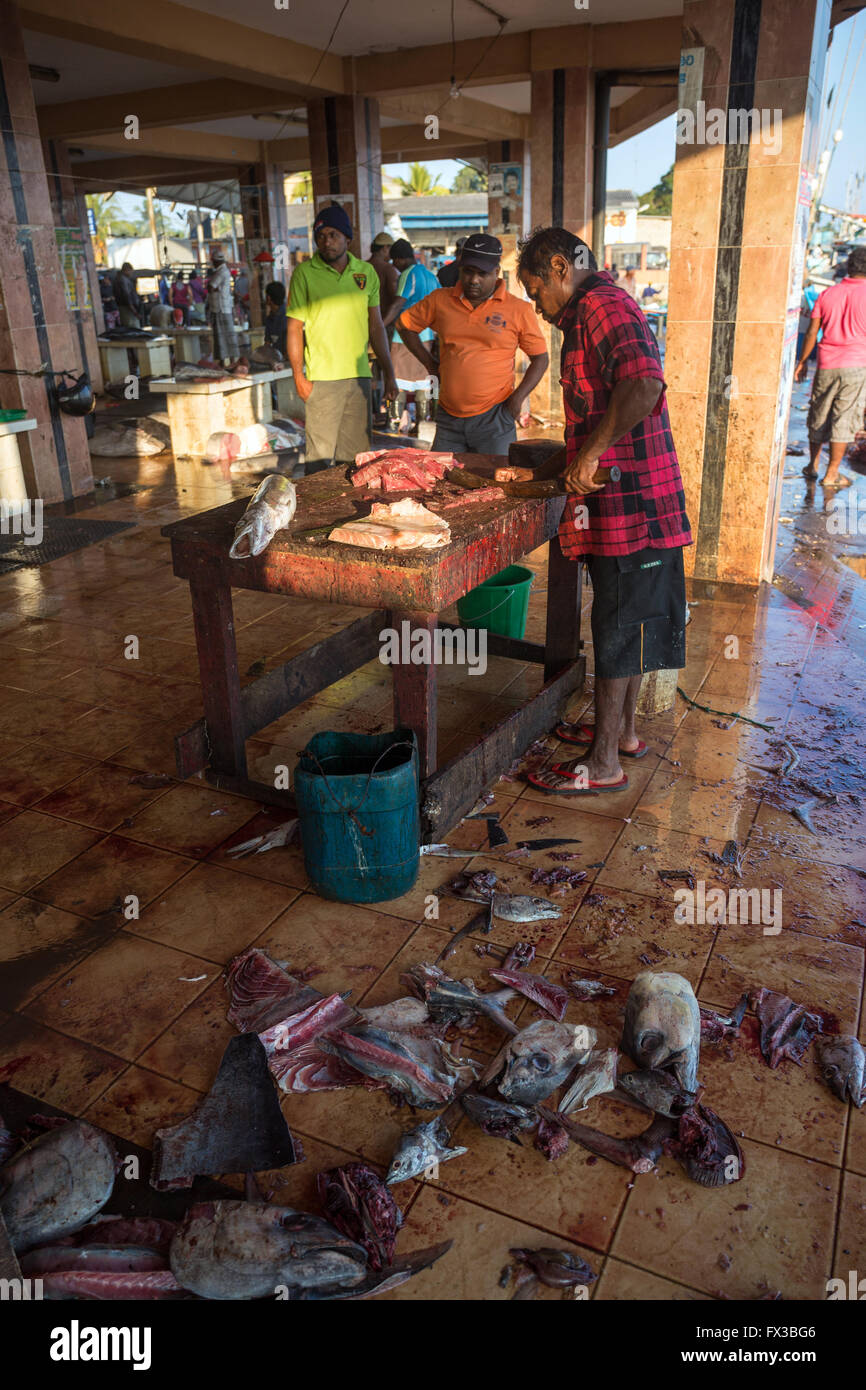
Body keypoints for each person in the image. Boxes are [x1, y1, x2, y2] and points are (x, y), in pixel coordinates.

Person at [495, 225, 692, 795]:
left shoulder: (601, 307)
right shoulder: (588, 313)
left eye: (537, 291)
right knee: (626, 621)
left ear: (560, 267)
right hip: (628, 499)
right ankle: (623, 733)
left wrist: (597, 451)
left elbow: (644, 387)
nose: (538, 305)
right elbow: (602, 406)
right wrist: (561, 460)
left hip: (636, 503)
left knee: (615, 624)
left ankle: (604, 764)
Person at [397, 232, 549, 456]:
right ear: (460, 269)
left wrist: (517, 399)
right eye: (468, 271)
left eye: (482, 273)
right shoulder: (440, 300)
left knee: (496, 483)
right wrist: (430, 364)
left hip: (496, 417)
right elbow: (404, 325)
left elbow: (540, 358)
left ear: (496, 273)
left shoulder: (518, 310)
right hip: (449, 420)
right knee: (441, 484)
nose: (474, 280)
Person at [287, 203, 398, 470]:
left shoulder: (366, 273)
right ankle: (317, 511)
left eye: (333, 234)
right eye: (321, 236)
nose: (327, 242)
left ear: (348, 238)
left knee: (357, 461)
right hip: (321, 380)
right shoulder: (304, 273)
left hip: (359, 378)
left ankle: (353, 510)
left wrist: (389, 373)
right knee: (319, 461)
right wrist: (298, 376)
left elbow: (376, 328)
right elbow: (293, 328)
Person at [795, 246, 866, 490]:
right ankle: (832, 473)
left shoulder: (828, 295)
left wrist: (803, 361)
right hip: (857, 365)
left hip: (826, 363)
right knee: (843, 418)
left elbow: (812, 332)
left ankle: (813, 465)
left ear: (849, 267)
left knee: (819, 413)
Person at [383, 239, 439, 433]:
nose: (394, 266)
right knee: (423, 380)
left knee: (396, 378)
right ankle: (422, 423)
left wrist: (380, 325)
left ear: (400, 259)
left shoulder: (408, 275)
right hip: (427, 336)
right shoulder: (431, 276)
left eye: (394, 261)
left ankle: (393, 422)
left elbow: (398, 303)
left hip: (405, 336)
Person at [206, 249, 238, 363]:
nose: (212, 263)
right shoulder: (224, 271)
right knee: (227, 336)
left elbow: (210, 287)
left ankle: (226, 362)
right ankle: (229, 361)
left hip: (220, 308)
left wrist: (215, 289)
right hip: (224, 308)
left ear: (217, 261)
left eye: (213, 261)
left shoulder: (221, 272)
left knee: (222, 337)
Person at [369, 232, 399, 325]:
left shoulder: (362, 267)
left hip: (364, 321)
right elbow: (396, 300)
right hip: (384, 321)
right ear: (385, 248)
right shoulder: (388, 269)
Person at [113, 262, 141, 329]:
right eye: (131, 271)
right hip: (127, 309)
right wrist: (134, 311)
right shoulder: (122, 280)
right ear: (127, 270)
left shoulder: (123, 279)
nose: (132, 273)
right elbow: (126, 296)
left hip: (128, 308)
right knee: (133, 329)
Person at [263, 280, 287, 357]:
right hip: (277, 359)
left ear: (268, 298)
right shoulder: (270, 318)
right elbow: (267, 343)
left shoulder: (287, 316)